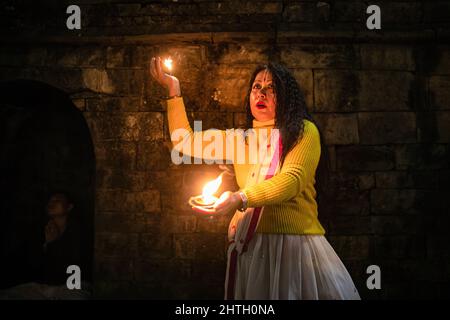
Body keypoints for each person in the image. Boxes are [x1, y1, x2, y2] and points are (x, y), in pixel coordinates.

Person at [150, 56, 360, 300]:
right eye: (256, 87)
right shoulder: (242, 139)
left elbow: (291, 181)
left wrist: (240, 197)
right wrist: (173, 90)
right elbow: (183, 141)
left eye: (271, 88)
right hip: (252, 248)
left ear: (286, 98)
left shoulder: (303, 133)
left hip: (293, 249)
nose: (262, 93)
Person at [0, 191, 91, 299]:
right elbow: (35, 266)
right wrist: (46, 244)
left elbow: (72, 268)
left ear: (69, 207)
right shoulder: (41, 229)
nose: (51, 203)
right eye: (50, 201)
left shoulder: (78, 230)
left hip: (70, 286)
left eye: (57, 200)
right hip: (43, 287)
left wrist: (53, 243)